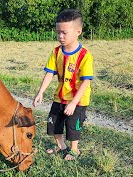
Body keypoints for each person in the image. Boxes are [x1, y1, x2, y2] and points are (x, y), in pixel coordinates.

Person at [33, 9, 93, 160]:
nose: (60, 36)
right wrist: (40, 92)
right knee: (53, 124)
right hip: (59, 97)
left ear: (78, 31)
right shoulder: (55, 53)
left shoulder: (85, 56)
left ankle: (74, 150)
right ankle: (61, 147)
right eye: (58, 32)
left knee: (73, 126)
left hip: (77, 100)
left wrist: (73, 102)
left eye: (64, 32)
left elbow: (86, 81)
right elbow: (49, 74)